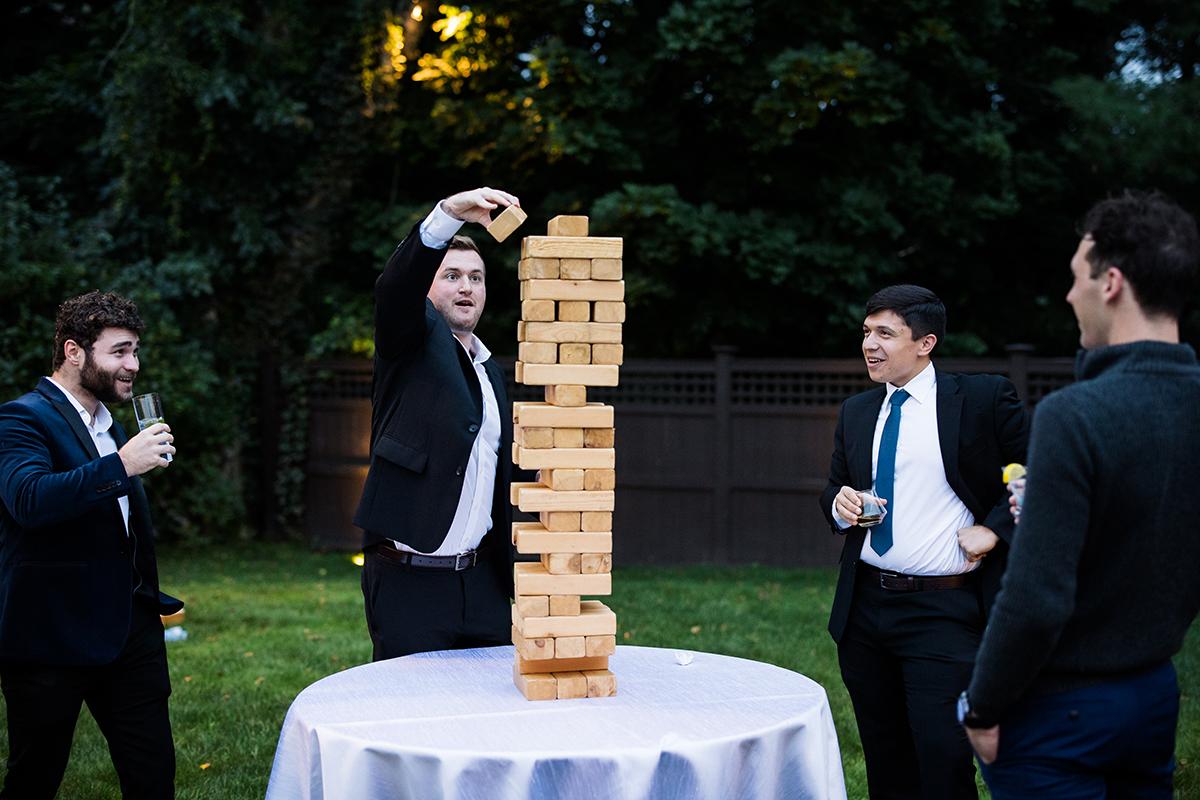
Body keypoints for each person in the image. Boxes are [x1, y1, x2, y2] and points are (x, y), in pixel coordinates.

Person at [961, 192, 1200, 798]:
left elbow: (1037, 598)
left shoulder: (1076, 414)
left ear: (1111, 282)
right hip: (1154, 696)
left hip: (1058, 710)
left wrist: (982, 707)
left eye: (1076, 278)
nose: (1070, 296)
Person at [819, 284, 1029, 800]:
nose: (870, 344)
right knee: (886, 761)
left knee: (943, 759)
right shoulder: (857, 411)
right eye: (866, 332)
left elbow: (1034, 472)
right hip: (865, 610)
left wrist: (995, 529)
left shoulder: (981, 398)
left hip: (945, 610)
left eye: (886, 333)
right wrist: (839, 506)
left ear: (925, 343)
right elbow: (834, 488)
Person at [0, 291, 182, 799]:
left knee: (152, 776)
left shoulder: (111, 425)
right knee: (34, 780)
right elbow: (29, 499)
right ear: (74, 351)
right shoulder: (20, 419)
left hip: (130, 631)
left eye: (136, 351)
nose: (134, 365)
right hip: (50, 636)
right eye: (120, 352)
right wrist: (122, 465)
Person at [355, 187, 522, 660]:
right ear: (428, 289)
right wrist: (448, 215)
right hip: (410, 581)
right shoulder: (407, 344)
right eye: (451, 276)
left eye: (476, 277)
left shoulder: (490, 370)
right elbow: (395, 288)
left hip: (482, 582)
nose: (466, 286)